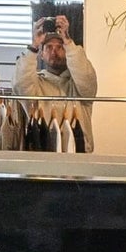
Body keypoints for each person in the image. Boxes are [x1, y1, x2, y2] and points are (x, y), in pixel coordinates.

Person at [9, 12, 98, 151]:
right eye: (49, 47)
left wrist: (67, 40)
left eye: (60, 47)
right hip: (42, 157)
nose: (54, 52)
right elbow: (20, 85)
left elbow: (86, 77)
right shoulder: (35, 87)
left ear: (67, 51)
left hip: (79, 158)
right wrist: (34, 44)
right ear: (41, 55)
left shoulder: (79, 86)